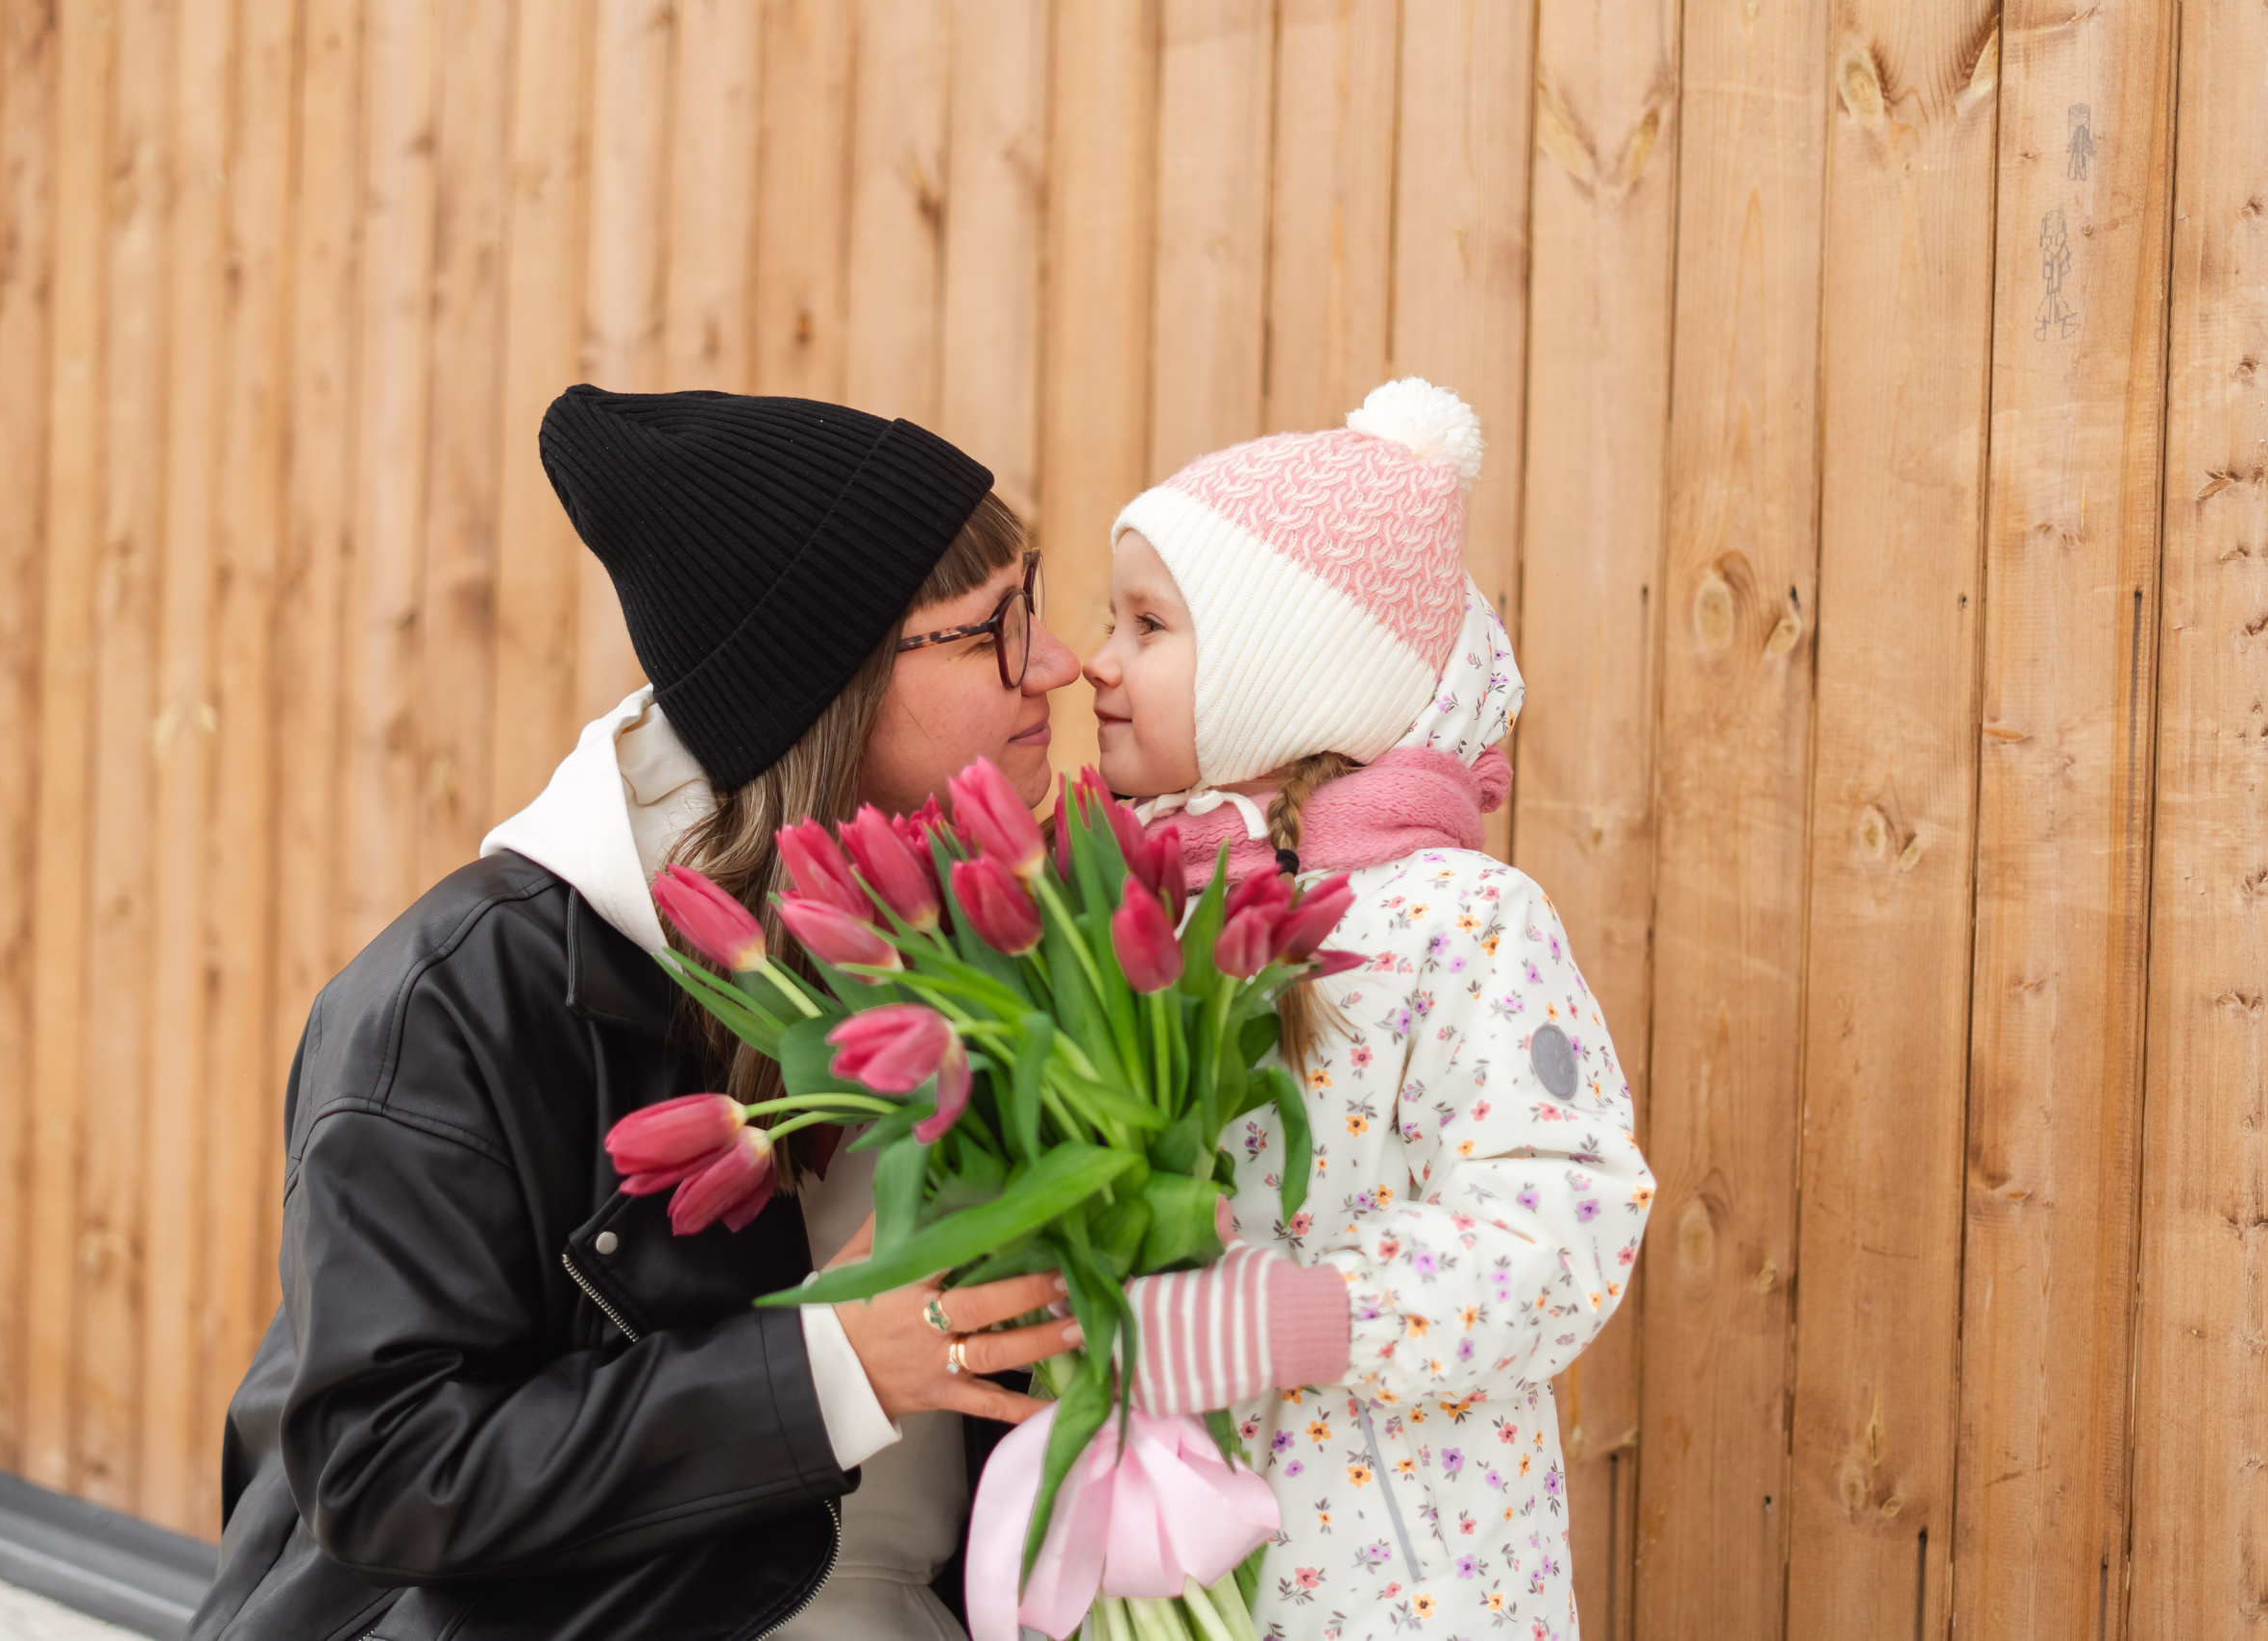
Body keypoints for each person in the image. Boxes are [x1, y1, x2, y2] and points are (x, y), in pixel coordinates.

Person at [193, 388, 1084, 1641]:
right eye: (992, 628)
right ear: (822, 684)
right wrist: (821, 1374)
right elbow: (382, 1467)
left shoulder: (993, 936)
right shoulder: (461, 997)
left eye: (1031, 601)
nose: (1058, 661)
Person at [1084, 380, 1656, 1638]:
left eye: (1148, 625)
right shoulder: (1126, 921)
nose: (1097, 660)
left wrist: (1313, 1316)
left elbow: (1565, 1216)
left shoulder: (1461, 921)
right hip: (1176, 1569)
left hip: (1407, 1590)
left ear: (1281, 674)